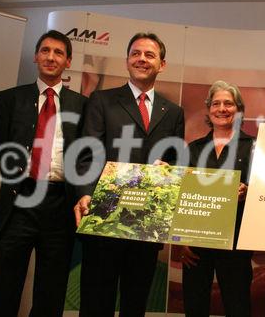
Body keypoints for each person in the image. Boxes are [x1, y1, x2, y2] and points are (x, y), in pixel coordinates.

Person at [73, 32, 185, 316]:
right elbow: (88, 154)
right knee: (96, 300)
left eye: (149, 55)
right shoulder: (101, 100)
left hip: (145, 224)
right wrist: (85, 193)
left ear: (162, 64)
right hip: (104, 216)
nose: (141, 59)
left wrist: (169, 170)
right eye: (135, 53)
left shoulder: (173, 112)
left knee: (136, 302)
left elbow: (174, 161)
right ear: (127, 61)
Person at [0, 30, 87, 317]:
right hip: (20, 199)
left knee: (51, 290)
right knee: (4, 286)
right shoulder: (9, 99)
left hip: (59, 204)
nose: (50, 57)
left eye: (58, 52)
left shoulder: (82, 104)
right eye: (45, 50)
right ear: (35, 56)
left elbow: (84, 157)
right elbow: (3, 149)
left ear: (68, 61)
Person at [180, 80, 254, 317]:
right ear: (209, 109)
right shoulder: (193, 149)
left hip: (236, 244)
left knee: (237, 305)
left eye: (228, 104)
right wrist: (181, 239)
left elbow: (264, 191)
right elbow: (183, 195)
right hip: (196, 244)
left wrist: (248, 191)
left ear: (238, 109)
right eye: (216, 103)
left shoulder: (253, 147)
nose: (222, 108)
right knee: (194, 305)